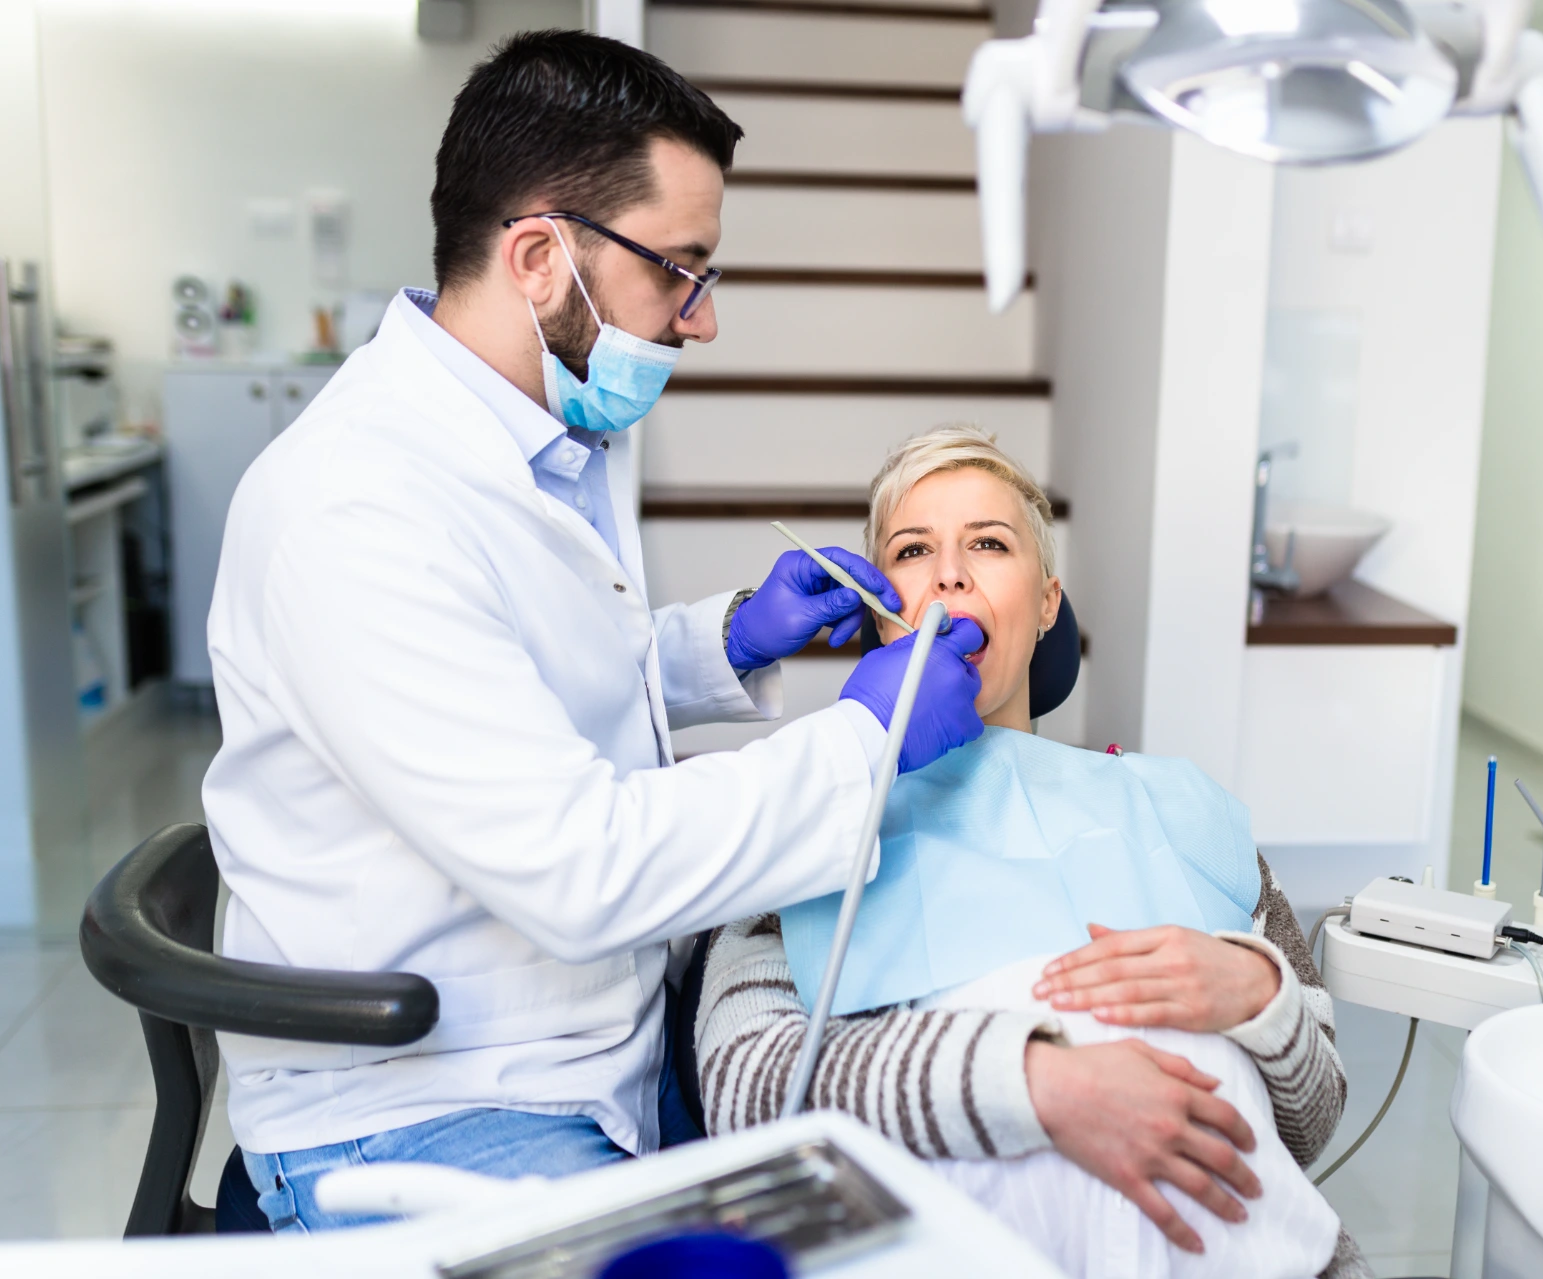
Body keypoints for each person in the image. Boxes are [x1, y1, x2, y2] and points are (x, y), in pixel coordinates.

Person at [204, 32, 986, 1232]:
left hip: (582, 1034)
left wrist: (728, 638)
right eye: (682, 270)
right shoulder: (350, 507)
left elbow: (520, 676)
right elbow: (580, 867)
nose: (702, 320)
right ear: (538, 256)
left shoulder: (530, 440)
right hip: (433, 1099)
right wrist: (861, 742)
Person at [695, 426, 1371, 1278]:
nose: (949, 573)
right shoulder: (810, 818)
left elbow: (1312, 1121)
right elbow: (746, 1094)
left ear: (1048, 601)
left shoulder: (1180, 813)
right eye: (912, 549)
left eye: (988, 542)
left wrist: (1260, 993)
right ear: (875, 612)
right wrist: (1037, 1085)